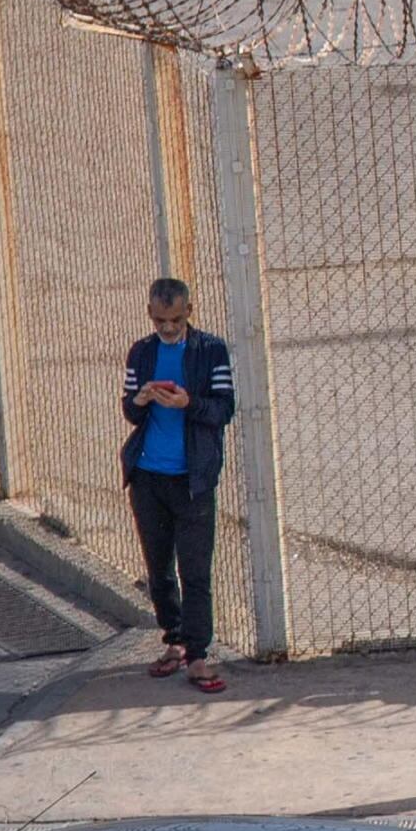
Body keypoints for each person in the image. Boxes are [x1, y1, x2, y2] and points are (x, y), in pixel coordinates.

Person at [119, 274, 238, 693]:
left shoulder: (210, 351)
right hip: (149, 478)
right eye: (159, 321)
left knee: (195, 570)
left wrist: (190, 403)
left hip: (193, 480)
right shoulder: (142, 353)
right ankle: (173, 639)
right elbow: (130, 411)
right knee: (159, 569)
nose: (167, 329)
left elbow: (224, 408)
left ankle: (198, 653)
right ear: (150, 315)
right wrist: (142, 400)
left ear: (190, 311)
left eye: (174, 320)